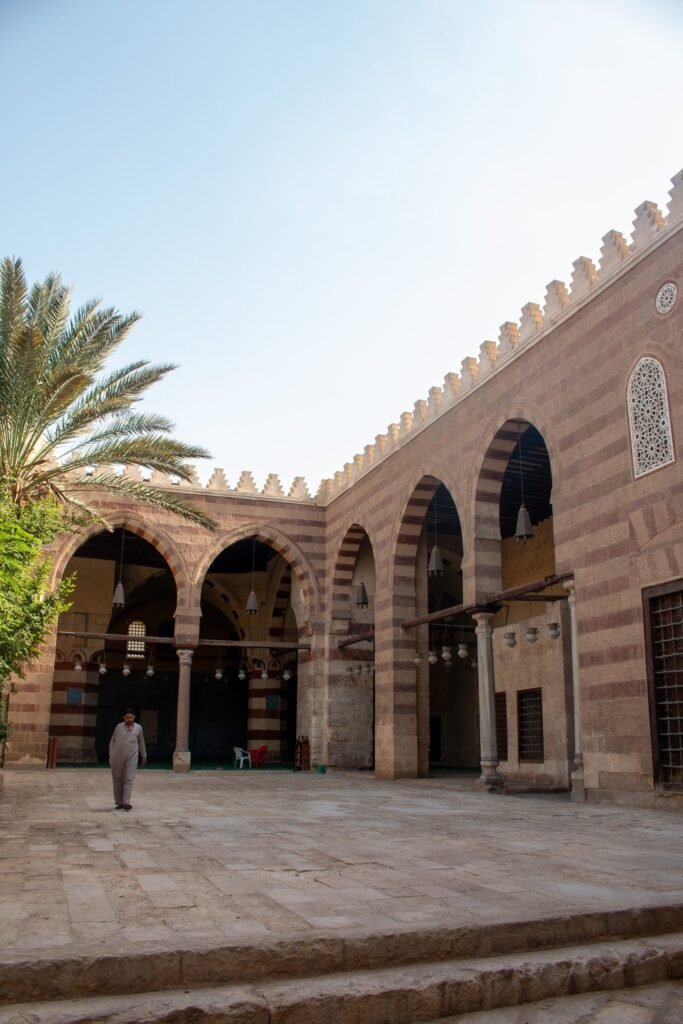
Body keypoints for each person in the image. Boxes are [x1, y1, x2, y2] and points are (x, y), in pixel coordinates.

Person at [109, 708, 147, 810]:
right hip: (117, 757)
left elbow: (141, 742)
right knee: (118, 779)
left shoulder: (138, 728)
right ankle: (119, 802)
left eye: (131, 717)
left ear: (134, 717)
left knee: (129, 778)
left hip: (132, 756)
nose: (129, 719)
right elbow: (112, 741)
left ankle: (126, 802)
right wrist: (111, 756)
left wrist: (144, 755)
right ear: (124, 718)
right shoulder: (119, 727)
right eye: (127, 717)